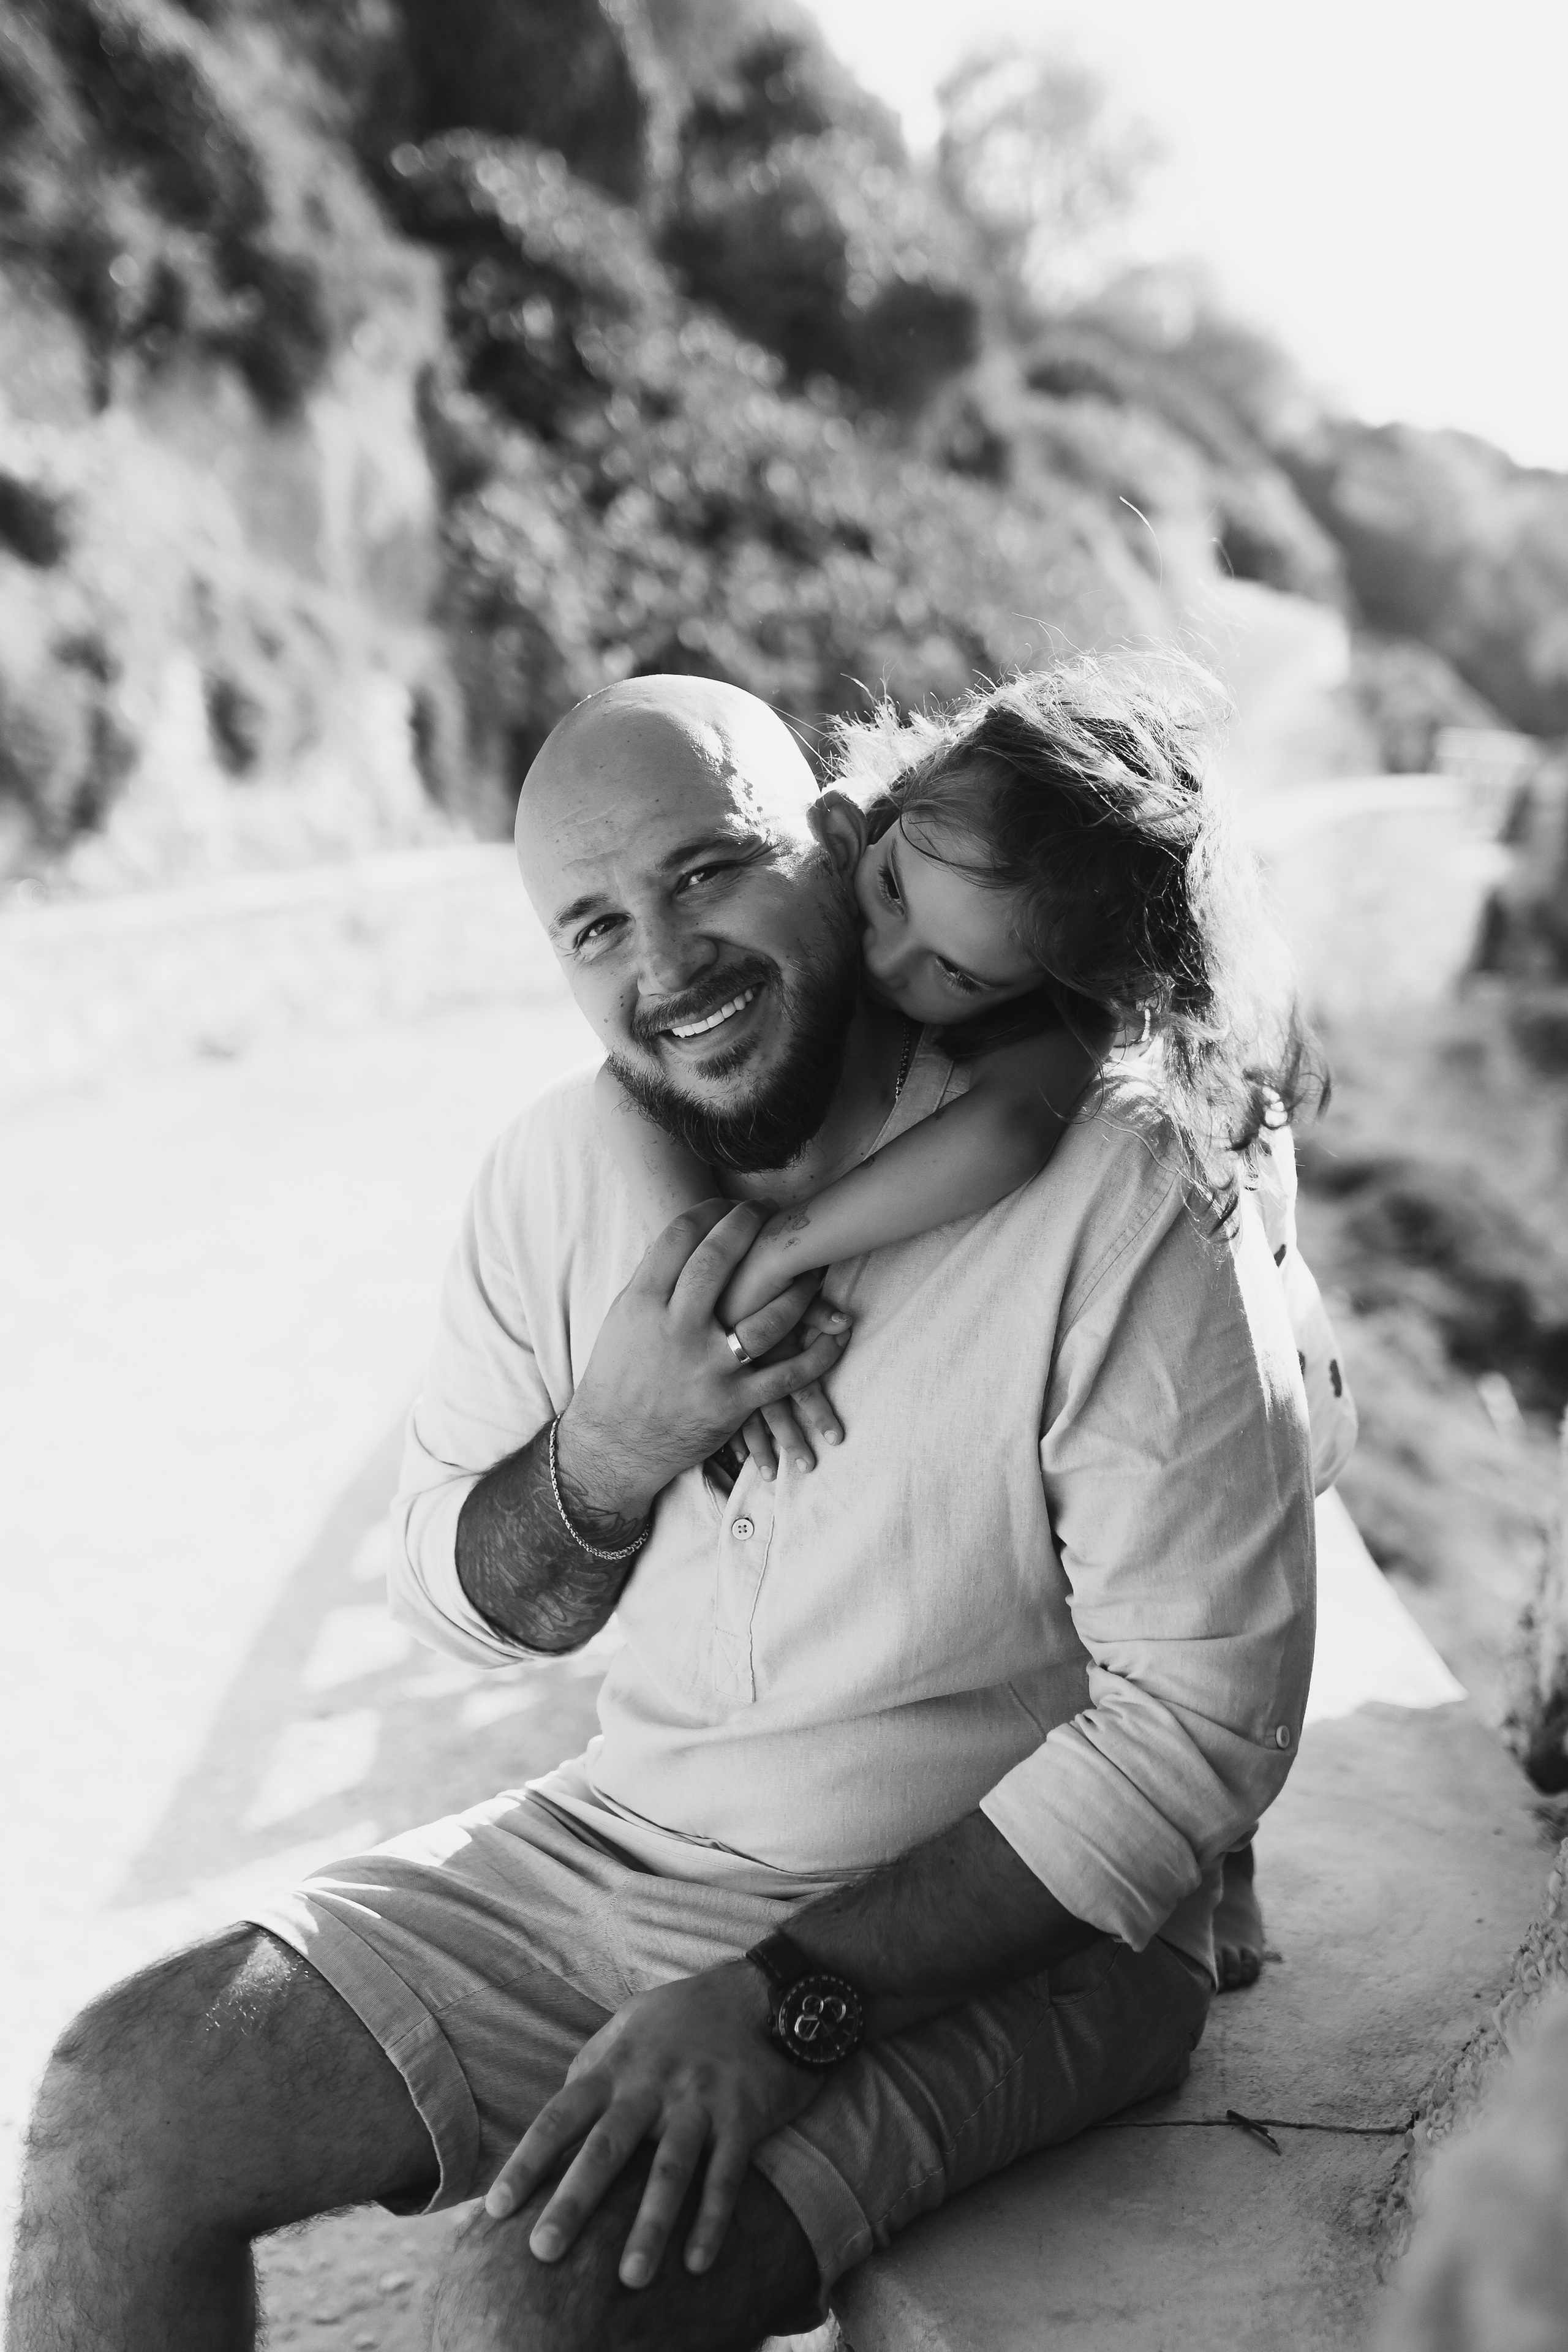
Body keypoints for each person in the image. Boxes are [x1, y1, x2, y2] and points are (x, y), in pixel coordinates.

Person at [8, 670, 1317, 2352]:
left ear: (840, 848)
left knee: (534, 2300)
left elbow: (1199, 1729)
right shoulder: (557, 1173)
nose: (667, 962)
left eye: (707, 874)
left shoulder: (1120, 1183)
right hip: (622, 1845)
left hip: (1015, 1928)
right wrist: (605, 1455)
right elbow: (452, 1598)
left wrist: (783, 2002)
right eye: (594, 927)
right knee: (123, 2105)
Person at [598, 671, 1357, 1985]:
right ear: (881, 817)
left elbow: (1003, 1134)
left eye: (952, 972)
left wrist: (779, 1249)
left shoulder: (1075, 1023)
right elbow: (636, 1079)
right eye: (888, 899)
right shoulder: (890, 850)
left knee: (1201, 1566)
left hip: (1259, 1333)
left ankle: (1221, 1863)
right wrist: (698, 1263)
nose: (892, 967)